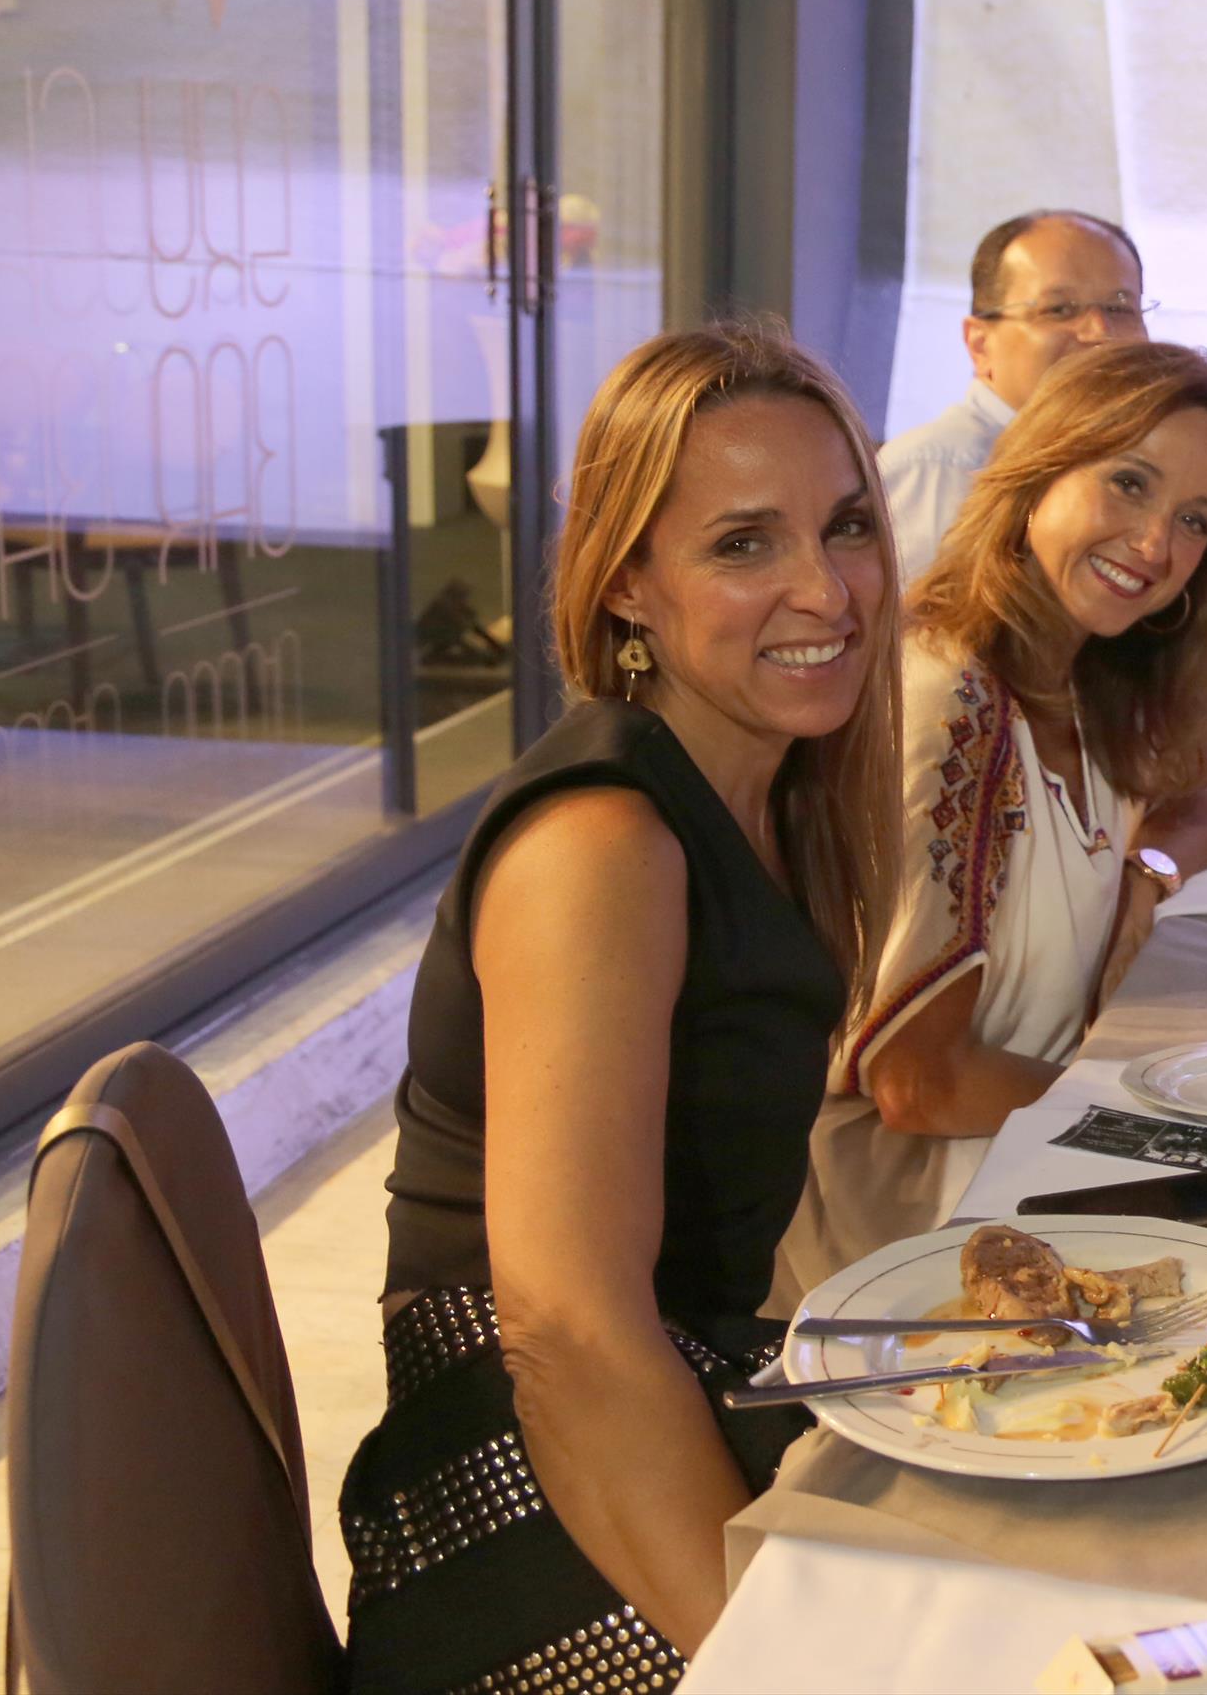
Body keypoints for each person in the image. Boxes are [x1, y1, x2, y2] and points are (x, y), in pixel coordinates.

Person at [340, 323, 900, 1687]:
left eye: (846, 526)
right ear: (630, 584)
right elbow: (568, 1335)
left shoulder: (765, 794)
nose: (827, 589)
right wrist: (774, 1666)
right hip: (517, 1482)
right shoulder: (603, 842)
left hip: (662, 1392)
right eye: (744, 543)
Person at [791, 342, 1207, 1275]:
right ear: (1039, 471)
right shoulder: (950, 700)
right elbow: (918, 1084)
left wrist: (1147, 876)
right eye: (1128, 483)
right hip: (917, 1227)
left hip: (1029, 1163)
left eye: (1193, 521)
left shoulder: (1085, 686)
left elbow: (1203, 803)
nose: (1154, 544)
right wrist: (1157, 1129)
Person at [879, 207, 1207, 748]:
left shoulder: (1166, 471)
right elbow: (901, 703)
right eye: (1059, 309)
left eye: (1119, 307)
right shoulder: (935, 472)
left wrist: (1185, 771)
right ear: (979, 344)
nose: (1098, 332)